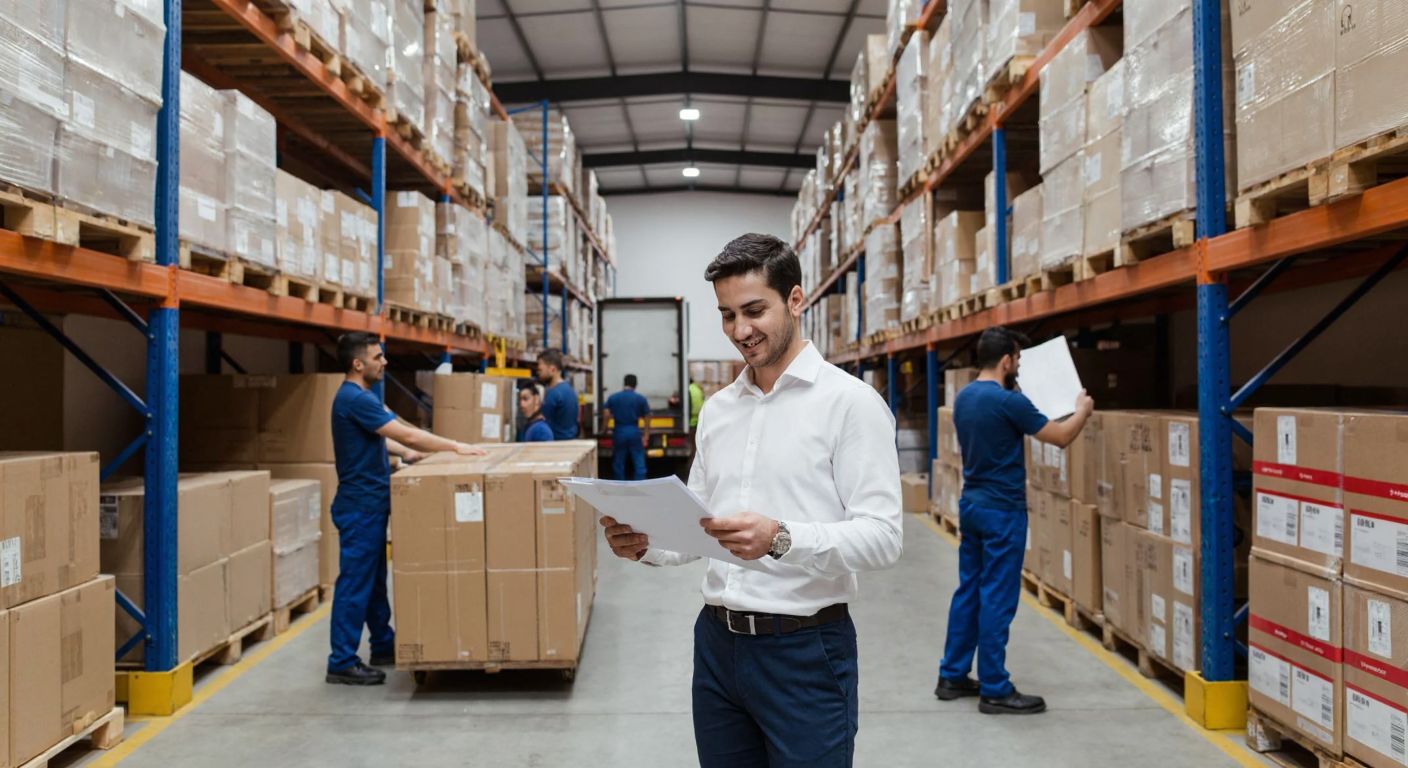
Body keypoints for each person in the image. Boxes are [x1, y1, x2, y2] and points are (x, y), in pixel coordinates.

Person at [599, 233, 903, 766]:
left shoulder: (850, 405)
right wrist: (645, 543)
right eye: (726, 315)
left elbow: (883, 538)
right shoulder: (719, 410)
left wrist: (780, 538)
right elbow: (701, 524)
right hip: (717, 645)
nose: (740, 331)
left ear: (795, 300)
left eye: (754, 310)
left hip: (804, 650)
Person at [934, 326, 1093, 714]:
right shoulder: (1009, 403)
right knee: (998, 597)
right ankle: (995, 687)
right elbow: (1059, 437)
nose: (1018, 366)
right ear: (1007, 360)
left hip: (971, 505)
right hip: (1003, 512)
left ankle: (952, 675)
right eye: (1018, 360)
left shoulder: (966, 397)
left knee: (969, 590)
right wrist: (1083, 412)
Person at [326, 332, 485, 686]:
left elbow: (396, 440)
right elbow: (407, 435)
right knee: (355, 583)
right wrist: (456, 446)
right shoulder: (355, 398)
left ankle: (383, 643)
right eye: (377, 357)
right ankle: (341, 660)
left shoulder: (363, 398)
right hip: (360, 506)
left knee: (373, 581)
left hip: (371, 502)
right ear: (358, 363)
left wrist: (413, 455)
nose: (384, 362)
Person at [604, 374, 651, 480]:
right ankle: (640, 484)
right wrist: (646, 434)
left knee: (619, 462)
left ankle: (619, 486)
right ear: (635, 385)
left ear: (624, 383)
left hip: (619, 432)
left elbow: (606, 413)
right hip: (634, 431)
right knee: (639, 461)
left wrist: (605, 429)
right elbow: (647, 416)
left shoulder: (613, 397)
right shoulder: (640, 399)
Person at [535, 348, 579, 440]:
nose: (538, 373)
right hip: (569, 442)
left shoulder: (554, 393)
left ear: (552, 369)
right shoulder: (569, 389)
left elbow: (541, 422)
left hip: (556, 445)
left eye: (540, 370)